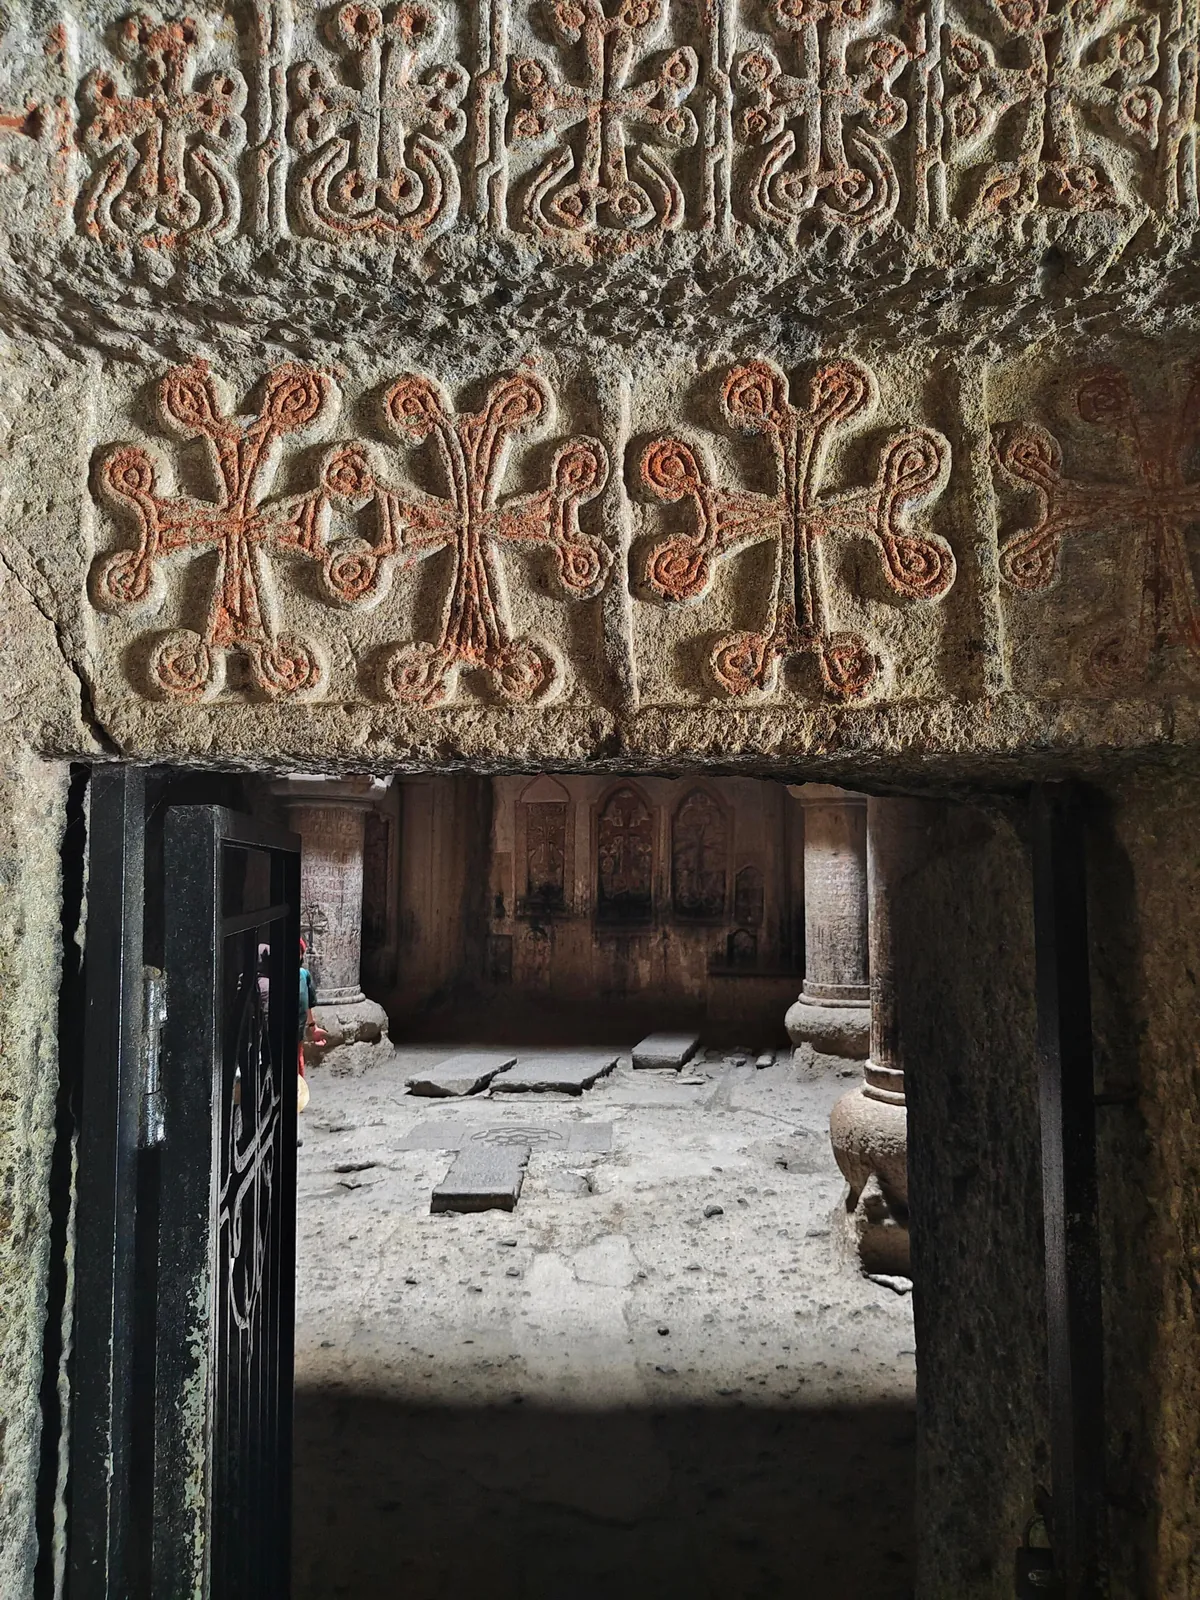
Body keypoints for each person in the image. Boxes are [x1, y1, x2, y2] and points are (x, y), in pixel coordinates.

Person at [298, 938, 327, 1082]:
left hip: (298, 1028)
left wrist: (312, 1027)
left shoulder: (304, 975)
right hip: (278, 1028)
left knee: (298, 1060)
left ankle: (298, 1097)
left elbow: (307, 1004)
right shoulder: (278, 975)